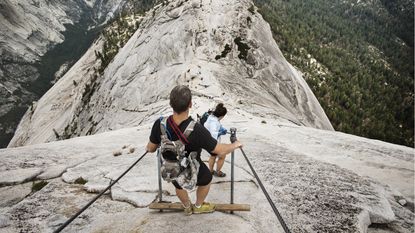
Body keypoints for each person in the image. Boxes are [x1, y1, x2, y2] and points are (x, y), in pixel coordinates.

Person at [146, 85, 242, 216]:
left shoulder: (160, 124)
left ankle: (187, 207)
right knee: (207, 179)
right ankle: (198, 205)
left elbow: (151, 148)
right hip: (192, 167)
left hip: (171, 167)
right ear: (190, 104)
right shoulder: (197, 129)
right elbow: (219, 150)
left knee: (178, 185)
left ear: (170, 104)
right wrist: (235, 144)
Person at [203, 103, 229, 177]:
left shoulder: (211, 117)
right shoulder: (214, 122)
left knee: (213, 156)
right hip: (212, 143)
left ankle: (210, 171)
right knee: (222, 156)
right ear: (222, 115)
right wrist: (220, 133)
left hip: (207, 141)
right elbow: (213, 134)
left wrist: (220, 127)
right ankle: (218, 172)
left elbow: (211, 125)